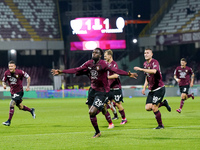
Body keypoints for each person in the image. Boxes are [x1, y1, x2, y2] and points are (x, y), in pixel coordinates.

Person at [51, 48, 137, 138]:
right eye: (93, 52)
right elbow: (77, 69)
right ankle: (102, 114)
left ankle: (98, 131)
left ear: (100, 56)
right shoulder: (89, 63)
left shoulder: (104, 64)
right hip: (92, 91)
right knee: (94, 111)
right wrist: (61, 72)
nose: (94, 53)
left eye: (96, 53)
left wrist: (128, 74)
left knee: (92, 112)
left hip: (102, 92)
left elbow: (116, 71)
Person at [134, 48, 171, 129]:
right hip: (151, 90)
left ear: (151, 54)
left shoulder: (155, 62)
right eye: (144, 53)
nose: (145, 54)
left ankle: (160, 125)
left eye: (147, 53)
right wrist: (144, 88)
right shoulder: (145, 64)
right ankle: (164, 103)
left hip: (159, 88)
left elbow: (154, 71)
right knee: (147, 108)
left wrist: (141, 69)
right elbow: (147, 77)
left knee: (154, 107)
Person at [2, 61, 36, 126]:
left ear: (15, 66)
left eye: (12, 66)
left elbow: (28, 77)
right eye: (9, 66)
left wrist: (28, 87)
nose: (10, 68)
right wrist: (4, 85)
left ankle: (8, 121)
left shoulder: (20, 72)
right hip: (12, 92)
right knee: (21, 107)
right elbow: (3, 81)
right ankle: (31, 110)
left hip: (19, 91)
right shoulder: (6, 73)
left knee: (12, 104)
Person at [104, 49, 127, 124]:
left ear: (110, 56)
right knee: (107, 103)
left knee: (117, 103)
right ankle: (115, 115)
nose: (104, 57)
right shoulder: (106, 64)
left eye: (105, 56)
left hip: (115, 87)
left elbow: (116, 75)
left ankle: (124, 118)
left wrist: (106, 77)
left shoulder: (114, 64)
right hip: (108, 88)